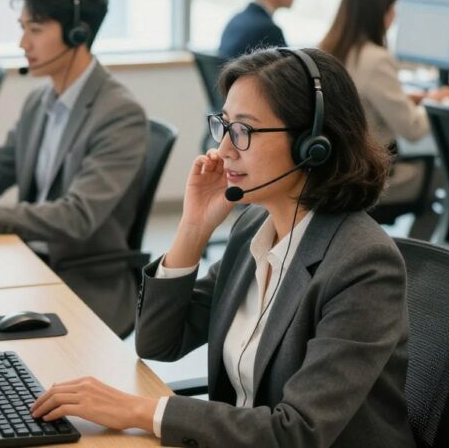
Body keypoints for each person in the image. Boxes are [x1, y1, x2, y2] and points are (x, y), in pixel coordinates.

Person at [30, 47, 416, 448]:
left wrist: (142, 411)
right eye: (224, 126)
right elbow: (159, 342)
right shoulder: (253, 229)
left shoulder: (363, 266)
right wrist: (193, 228)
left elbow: (298, 432)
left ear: (312, 145)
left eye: (244, 131)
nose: (224, 150)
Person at [0, 0, 147, 336]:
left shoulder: (119, 113)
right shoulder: (40, 101)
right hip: (30, 261)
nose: (23, 43)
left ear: (78, 33)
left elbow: (76, 217)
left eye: (36, 30)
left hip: (84, 277)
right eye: (22, 28)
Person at [320, 0, 449, 226]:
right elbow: (412, 129)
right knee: (443, 175)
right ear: (379, 12)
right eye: (393, 8)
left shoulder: (326, 50)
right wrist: (436, 104)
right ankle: (422, 261)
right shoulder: (376, 59)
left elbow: (361, 100)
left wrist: (414, 99)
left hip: (334, 172)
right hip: (370, 177)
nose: (395, 16)